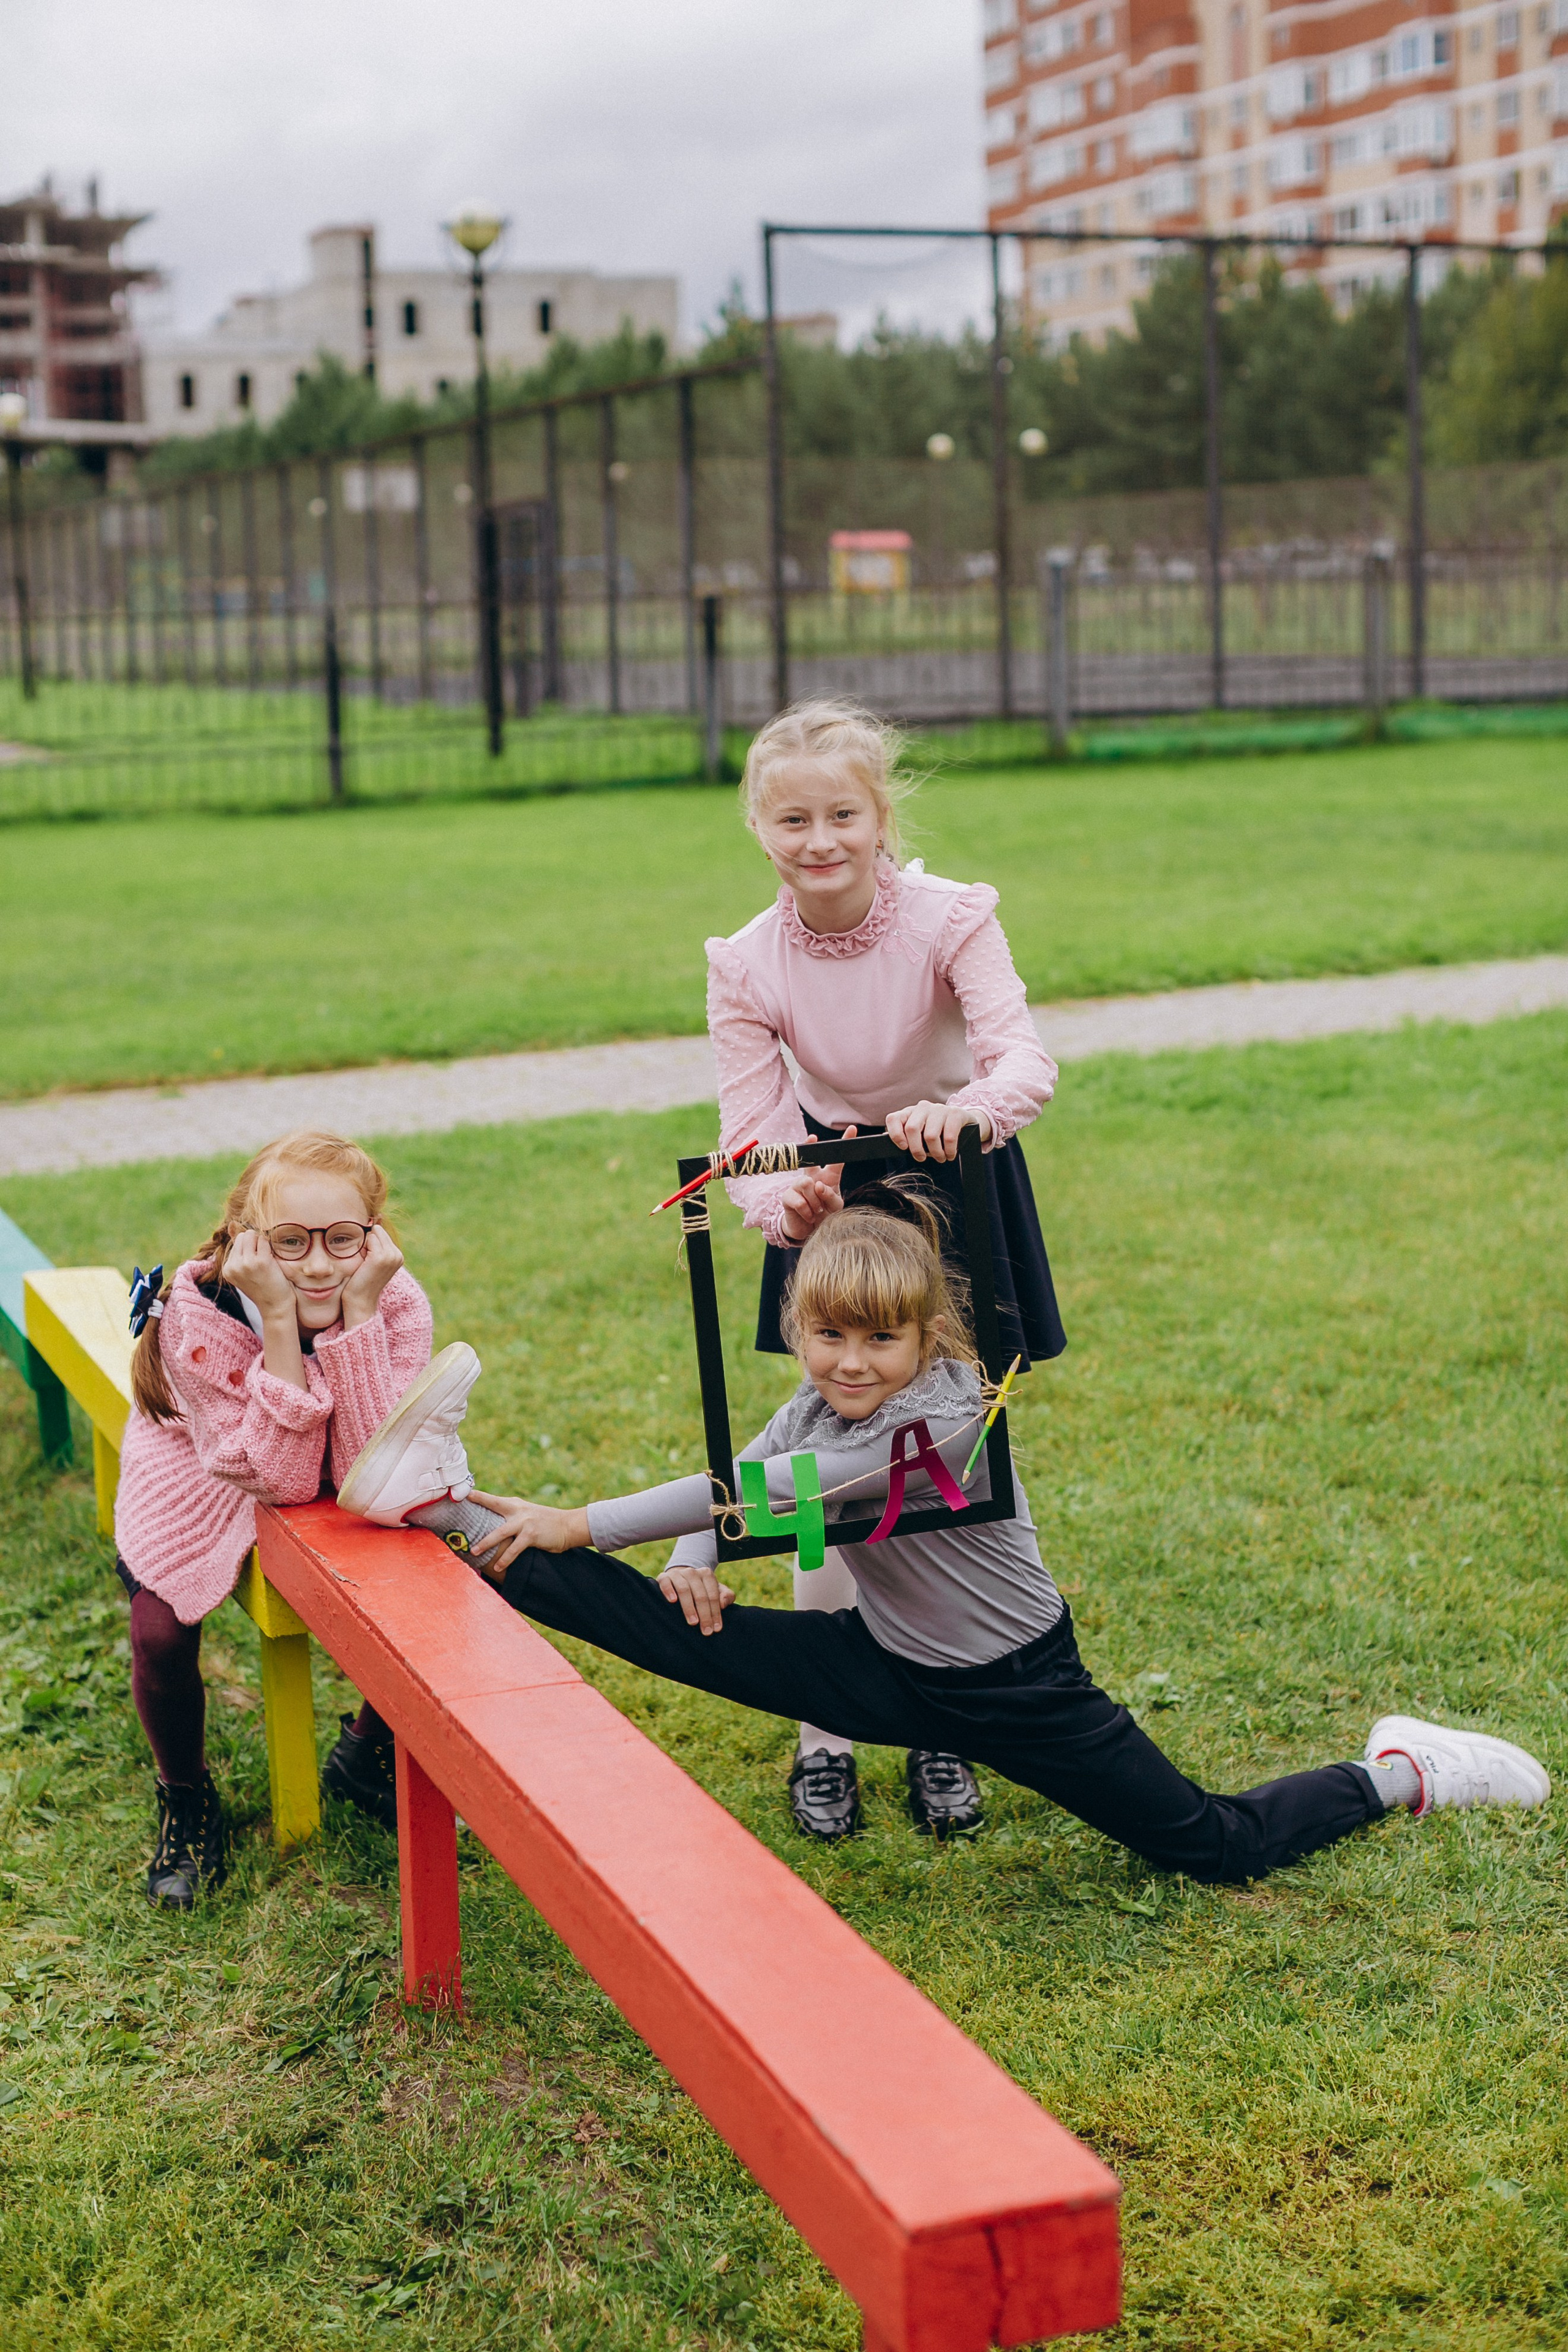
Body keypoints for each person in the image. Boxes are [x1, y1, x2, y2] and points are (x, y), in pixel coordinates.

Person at [334, 1188, 1551, 1881]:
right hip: (885, 1665)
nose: (852, 1364)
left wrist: (596, 1518)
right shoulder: (817, 1400)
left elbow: (783, 1487)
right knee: (652, 1625)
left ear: (928, 1337)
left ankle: (1403, 1771)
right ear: (800, 1332)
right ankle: (443, 1507)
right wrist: (692, 1562)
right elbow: (743, 1474)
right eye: (828, 1338)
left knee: (1209, 1847)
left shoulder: (950, 1420)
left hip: (1020, 1686)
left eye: (881, 1340)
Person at [702, 696, 1065, 1842]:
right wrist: (783, 1198)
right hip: (838, 1205)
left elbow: (1023, 1061)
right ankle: (827, 1736)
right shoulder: (744, 963)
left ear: (880, 817)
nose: (821, 841)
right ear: (760, 828)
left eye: (843, 816)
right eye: (793, 820)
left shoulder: (952, 917)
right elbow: (749, 1131)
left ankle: (942, 1720)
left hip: (958, 1185)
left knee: (944, 1468)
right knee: (824, 1468)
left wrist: (964, 1113)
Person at [116, 1128, 483, 1909]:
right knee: (159, 1629)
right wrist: (281, 1324)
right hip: (204, 1461)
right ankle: (185, 1795)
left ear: (373, 1235)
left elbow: (369, 1466)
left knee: (442, 1572)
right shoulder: (197, 1316)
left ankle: (365, 1756)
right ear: (248, 1238)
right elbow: (276, 1481)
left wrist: (358, 1315)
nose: (318, 1264)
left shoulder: (395, 1299)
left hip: (331, 1459)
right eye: (291, 1241)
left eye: (341, 1239)